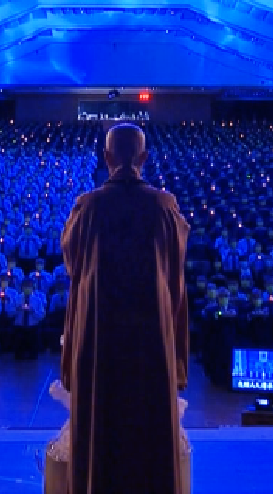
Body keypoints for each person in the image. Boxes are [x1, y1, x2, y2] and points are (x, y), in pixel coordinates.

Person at [61, 123, 189, 494]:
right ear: (145, 158)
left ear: (106, 158)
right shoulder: (164, 207)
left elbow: (72, 263)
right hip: (150, 346)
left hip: (100, 345)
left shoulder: (89, 207)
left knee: (101, 433)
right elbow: (176, 270)